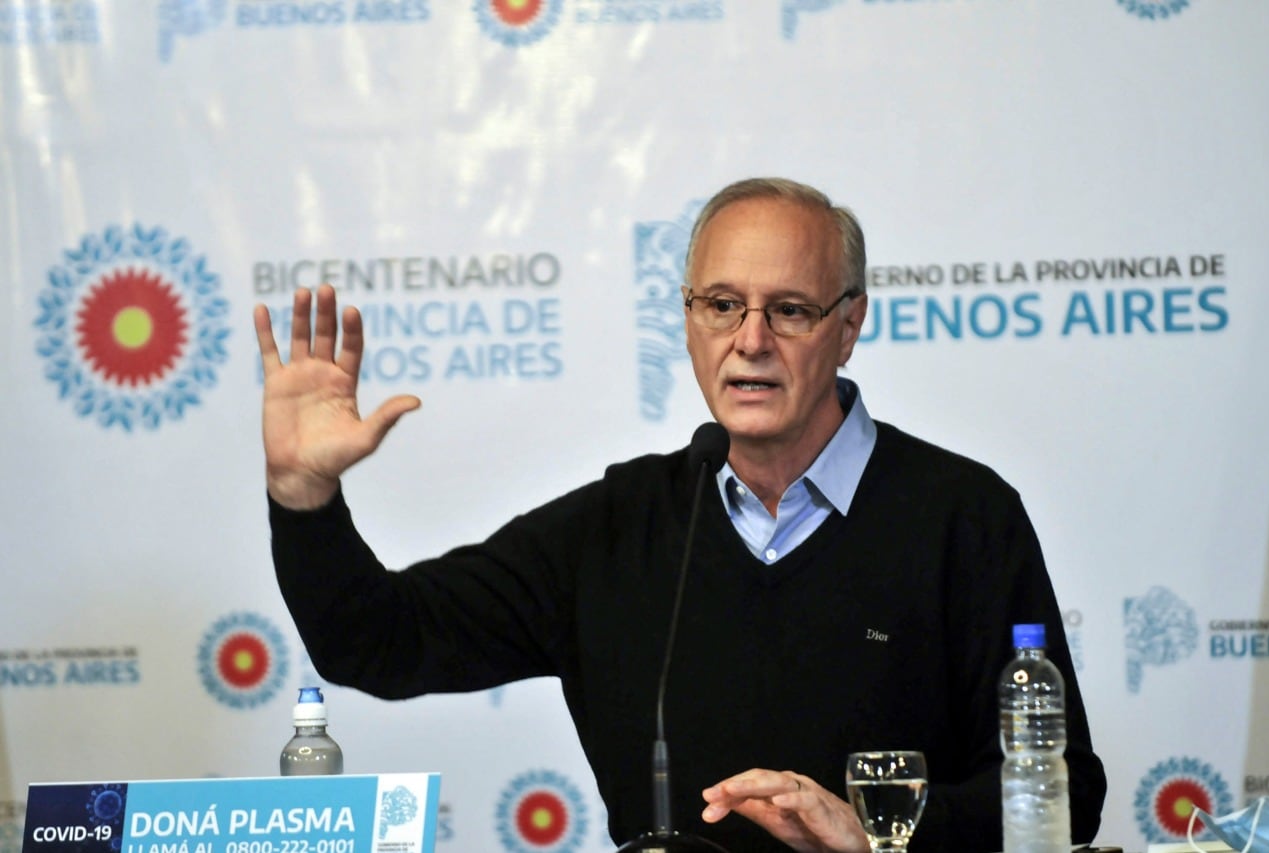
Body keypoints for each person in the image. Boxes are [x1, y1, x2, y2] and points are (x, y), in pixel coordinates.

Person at [255, 177, 1106, 852]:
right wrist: (303, 498)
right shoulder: (618, 527)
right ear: (690, 319)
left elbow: (1068, 789)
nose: (751, 339)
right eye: (722, 304)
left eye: (790, 309)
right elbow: (378, 640)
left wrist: (878, 832)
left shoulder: (963, 517)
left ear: (848, 327)